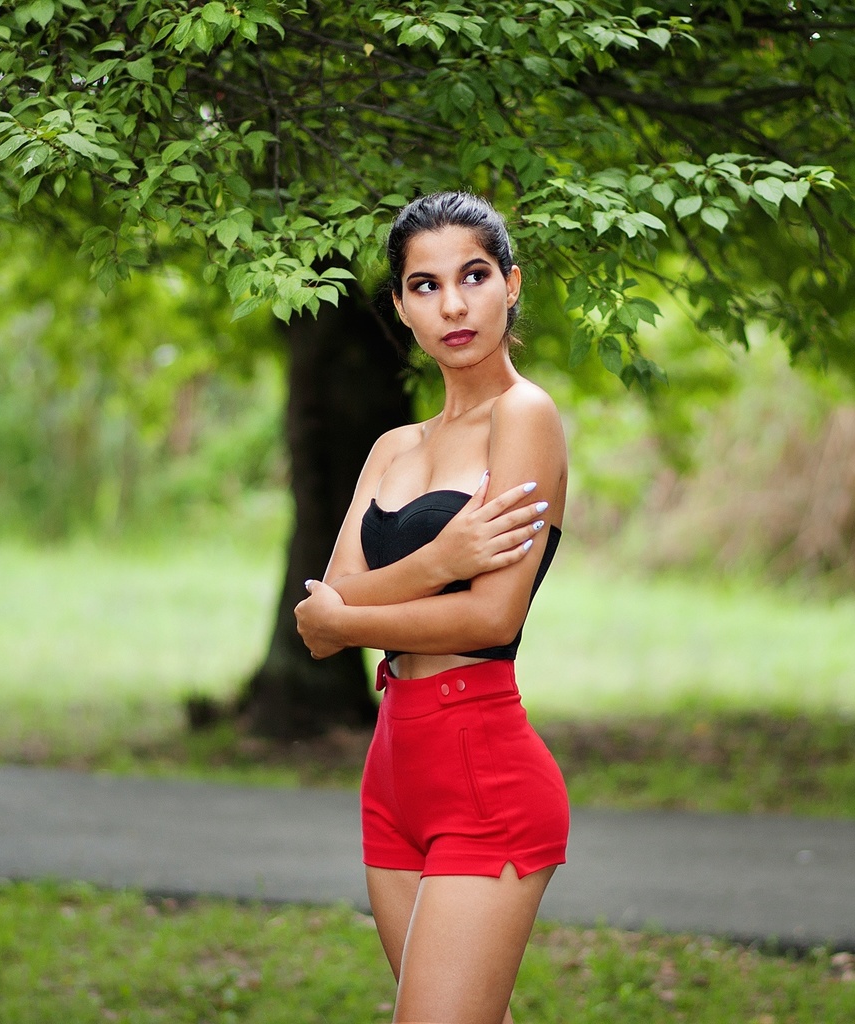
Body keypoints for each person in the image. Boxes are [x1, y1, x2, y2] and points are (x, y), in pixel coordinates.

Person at [293, 191, 570, 1024]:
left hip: (484, 771)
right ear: (401, 306)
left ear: (511, 285)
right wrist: (440, 559)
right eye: (425, 285)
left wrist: (346, 619)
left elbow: (492, 619)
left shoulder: (525, 416)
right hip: (393, 774)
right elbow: (317, 616)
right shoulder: (393, 448)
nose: (453, 304)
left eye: (474, 276)